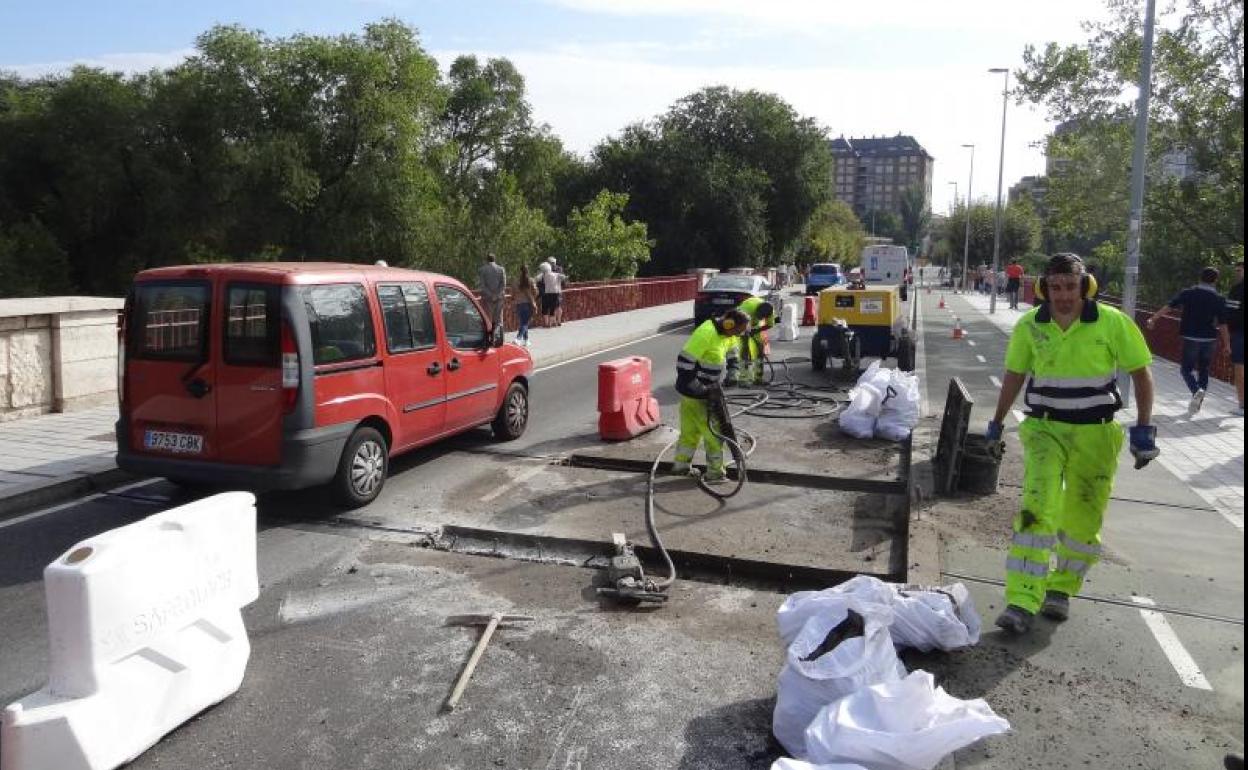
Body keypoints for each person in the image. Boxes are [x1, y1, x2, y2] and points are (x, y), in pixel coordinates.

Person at [986, 253, 1157, 634]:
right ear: (1044, 289)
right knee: (1037, 507)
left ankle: (1061, 589)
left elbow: (1142, 375)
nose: (1063, 296)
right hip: (1044, 430)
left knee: (1083, 516)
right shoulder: (1031, 325)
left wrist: (1144, 429)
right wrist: (996, 423)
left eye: (1071, 286)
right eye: (1056, 287)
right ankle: (1022, 598)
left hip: (1096, 433)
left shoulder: (1113, 323)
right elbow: (1014, 374)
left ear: (1086, 285)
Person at [671, 310, 750, 483]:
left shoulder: (727, 332)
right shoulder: (706, 333)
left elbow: (732, 347)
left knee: (689, 433)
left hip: (696, 394)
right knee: (714, 435)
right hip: (698, 393)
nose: (738, 335)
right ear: (728, 324)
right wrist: (700, 390)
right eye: (737, 331)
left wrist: (733, 368)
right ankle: (715, 474)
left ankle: (680, 467)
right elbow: (684, 364)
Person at [1146, 266, 1230, 414]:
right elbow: (1223, 324)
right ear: (1215, 280)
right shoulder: (1219, 299)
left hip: (1191, 337)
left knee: (1186, 369)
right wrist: (1227, 344)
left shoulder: (1188, 293)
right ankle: (1198, 400)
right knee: (1204, 370)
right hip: (1209, 339)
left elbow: (1169, 306)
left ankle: (1196, 390)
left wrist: (1154, 318)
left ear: (1200, 277)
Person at [728, 298, 775, 387]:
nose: (759, 318)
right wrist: (746, 334)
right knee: (745, 350)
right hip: (741, 322)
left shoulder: (770, 311)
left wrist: (756, 330)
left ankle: (758, 379)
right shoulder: (746, 309)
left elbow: (770, 324)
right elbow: (741, 326)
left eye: (761, 317)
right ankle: (743, 379)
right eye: (758, 316)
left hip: (755, 326)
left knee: (760, 350)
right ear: (756, 311)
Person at [1227, 261, 1244, 416]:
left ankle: (1242, 406)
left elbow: (1229, 313)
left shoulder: (1237, 289)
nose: (1236, 273)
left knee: (1239, 369)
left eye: (1239, 270)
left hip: (1240, 333)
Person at [477, 253, 507, 335]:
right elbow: (503, 284)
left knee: (487, 318)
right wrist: (497, 295)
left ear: (487, 260)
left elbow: (482, 285)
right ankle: (498, 336)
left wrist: (490, 295)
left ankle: (488, 336)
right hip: (499, 298)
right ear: (495, 259)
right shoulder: (501, 269)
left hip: (487, 298)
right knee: (499, 319)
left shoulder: (482, 270)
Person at [512, 265, 538, 348]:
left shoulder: (516, 281)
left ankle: (526, 340)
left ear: (520, 271)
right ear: (528, 271)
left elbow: (513, 293)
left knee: (523, 322)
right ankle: (518, 338)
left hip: (518, 304)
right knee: (525, 323)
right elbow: (535, 292)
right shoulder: (530, 280)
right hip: (528, 303)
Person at [538, 261, 566, 328]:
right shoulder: (555, 274)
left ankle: (546, 323)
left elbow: (536, 280)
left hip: (545, 293)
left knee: (545, 308)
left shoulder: (542, 276)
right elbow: (564, 277)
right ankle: (551, 323)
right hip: (555, 293)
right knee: (552, 308)